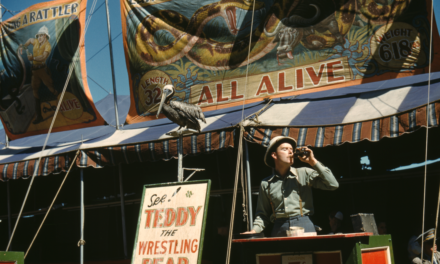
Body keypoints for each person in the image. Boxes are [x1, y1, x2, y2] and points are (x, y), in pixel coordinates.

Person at [242, 136, 339, 237]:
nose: (290, 152)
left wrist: (312, 161)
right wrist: (253, 231)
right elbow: (262, 215)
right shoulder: (266, 183)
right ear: (274, 155)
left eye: (291, 150)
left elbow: (332, 184)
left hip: (304, 225)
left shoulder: (304, 173)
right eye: (285, 149)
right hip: (279, 228)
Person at [21, 25, 58, 124]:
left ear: (45, 36)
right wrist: (24, 46)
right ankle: (39, 116)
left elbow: (43, 57)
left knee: (51, 87)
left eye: (41, 36)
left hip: (42, 70)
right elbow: (29, 40)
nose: (39, 38)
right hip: (35, 71)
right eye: (38, 36)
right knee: (35, 92)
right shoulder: (36, 41)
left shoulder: (47, 46)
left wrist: (33, 58)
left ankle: (60, 104)